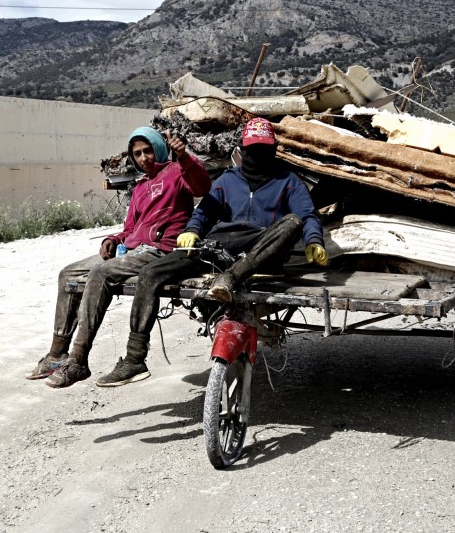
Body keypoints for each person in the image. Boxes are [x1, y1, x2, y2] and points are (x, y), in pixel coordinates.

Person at [94, 117, 329, 388]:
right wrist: (192, 229)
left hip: (260, 250)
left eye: (263, 149)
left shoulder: (287, 180)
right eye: (251, 149)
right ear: (242, 148)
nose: (257, 155)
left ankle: (231, 277)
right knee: (150, 272)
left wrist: (314, 240)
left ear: (274, 149)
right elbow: (205, 211)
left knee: (293, 223)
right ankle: (135, 358)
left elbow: (307, 214)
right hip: (219, 246)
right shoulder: (228, 179)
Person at [27, 125, 212, 389]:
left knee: (101, 272)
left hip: (161, 249)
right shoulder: (139, 187)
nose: (143, 158)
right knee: (68, 273)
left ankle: (78, 360)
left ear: (159, 149)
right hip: (133, 249)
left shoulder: (176, 172)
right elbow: (130, 228)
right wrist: (113, 239)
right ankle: (58, 353)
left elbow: (202, 186)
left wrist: (183, 156)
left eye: (148, 150)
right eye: (137, 154)